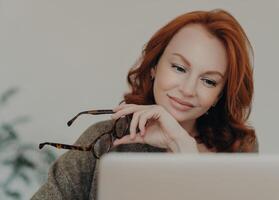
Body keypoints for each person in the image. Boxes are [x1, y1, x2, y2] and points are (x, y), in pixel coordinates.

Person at [31, 9, 258, 200]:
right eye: (179, 68)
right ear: (154, 67)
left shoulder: (238, 148)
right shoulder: (105, 139)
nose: (188, 90)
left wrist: (183, 148)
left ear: (219, 95)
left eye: (209, 81)